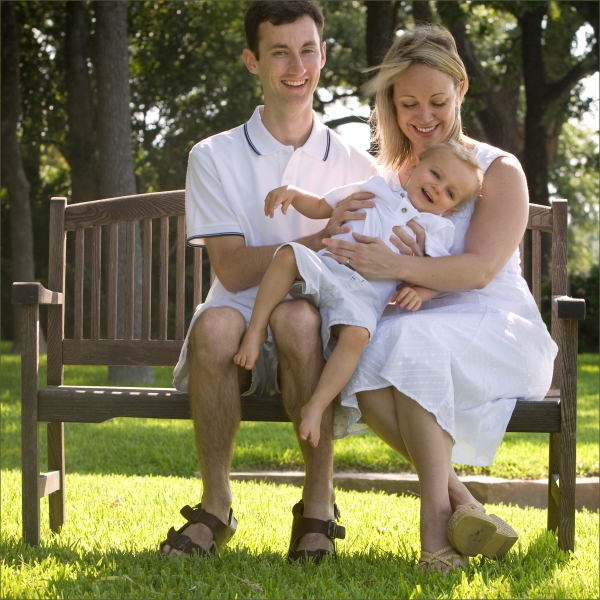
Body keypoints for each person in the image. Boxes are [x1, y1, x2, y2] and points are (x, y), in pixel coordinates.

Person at [321, 25, 558, 571]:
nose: (423, 116)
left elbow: (479, 269)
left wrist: (395, 265)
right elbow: (349, 250)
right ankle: (464, 505)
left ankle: (435, 530)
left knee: (409, 343)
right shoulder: (390, 178)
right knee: (364, 360)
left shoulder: (497, 170)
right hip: (414, 319)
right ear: (390, 103)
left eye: (437, 101)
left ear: (460, 90)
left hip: (497, 327)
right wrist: (334, 228)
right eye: (408, 104)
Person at [161, 1, 379, 562]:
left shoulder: (358, 163)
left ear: (324, 55)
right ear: (252, 61)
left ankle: (318, 507)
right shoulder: (214, 155)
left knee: (298, 316)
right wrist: (322, 237)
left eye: (307, 50)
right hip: (237, 321)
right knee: (212, 326)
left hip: (318, 326)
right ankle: (215, 507)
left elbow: (365, 263)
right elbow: (232, 269)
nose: (296, 66)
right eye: (279, 52)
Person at [234, 142, 482, 448]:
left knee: (357, 336)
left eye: (450, 192)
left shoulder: (435, 227)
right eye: (436, 174)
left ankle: (316, 405)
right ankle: (256, 330)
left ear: (451, 210)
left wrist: (420, 291)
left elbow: (439, 272)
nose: (437, 187)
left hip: (364, 296)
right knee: (287, 255)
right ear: (414, 166)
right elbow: (323, 206)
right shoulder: (375, 189)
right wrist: (295, 194)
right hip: (327, 268)